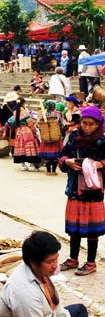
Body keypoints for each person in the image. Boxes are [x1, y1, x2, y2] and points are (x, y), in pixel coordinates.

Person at [0, 231, 89, 317]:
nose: (55, 265)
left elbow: (56, 307)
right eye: (50, 261)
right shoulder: (24, 292)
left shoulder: (41, 272)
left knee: (80, 310)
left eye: (56, 259)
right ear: (34, 263)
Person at [57, 105, 105, 276]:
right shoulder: (73, 137)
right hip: (75, 188)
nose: (87, 127)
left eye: (91, 124)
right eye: (84, 123)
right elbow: (61, 156)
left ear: (98, 124)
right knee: (74, 227)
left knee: (92, 229)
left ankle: (91, 262)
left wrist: (99, 164)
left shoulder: (103, 140)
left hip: (94, 190)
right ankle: (73, 258)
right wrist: (67, 161)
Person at [10, 98, 41, 172]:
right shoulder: (25, 112)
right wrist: (35, 130)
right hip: (27, 131)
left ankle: (23, 165)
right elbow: (30, 122)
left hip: (19, 131)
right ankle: (31, 165)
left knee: (21, 148)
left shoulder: (15, 112)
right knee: (30, 148)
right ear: (23, 103)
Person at [39, 100, 64, 176]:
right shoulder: (57, 114)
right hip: (55, 137)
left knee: (47, 157)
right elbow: (61, 125)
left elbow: (40, 126)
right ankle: (53, 171)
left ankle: (48, 171)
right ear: (53, 106)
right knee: (55, 157)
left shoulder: (43, 115)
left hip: (46, 138)